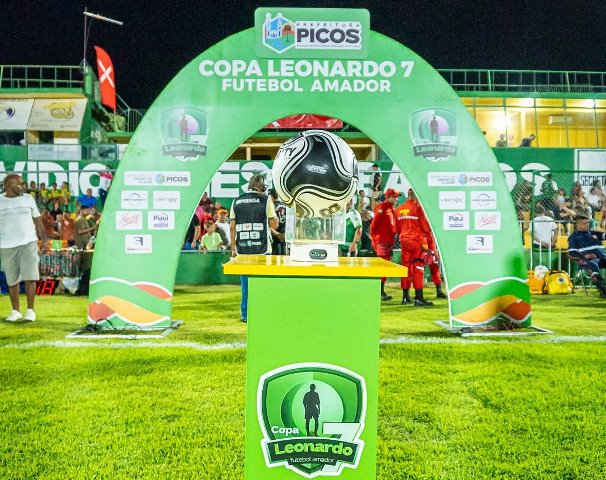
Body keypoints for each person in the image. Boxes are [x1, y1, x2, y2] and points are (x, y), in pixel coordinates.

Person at [230, 174, 278, 322]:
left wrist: (233, 249)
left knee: (245, 286)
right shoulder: (266, 200)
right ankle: (263, 313)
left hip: (243, 249)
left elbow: (232, 227)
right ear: (261, 186)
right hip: (262, 249)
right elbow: (274, 224)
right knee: (263, 284)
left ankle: (245, 315)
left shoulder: (236, 201)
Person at [0, 174, 48, 322]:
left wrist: (44, 240)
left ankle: (30, 311)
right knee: (12, 280)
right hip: (6, 245)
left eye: (23, 184)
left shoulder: (28, 199)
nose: (23, 187)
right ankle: (15, 311)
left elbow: (38, 221)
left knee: (30, 277)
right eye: (19, 184)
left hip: (29, 242)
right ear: (9, 185)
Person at [395, 188, 434, 306]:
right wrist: (429, 241)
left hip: (404, 241)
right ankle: (419, 298)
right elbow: (425, 227)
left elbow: (397, 228)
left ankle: (405, 297)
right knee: (418, 269)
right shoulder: (418, 208)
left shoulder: (399, 208)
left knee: (406, 269)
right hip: (417, 242)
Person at [370, 187, 400, 301]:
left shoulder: (392, 209)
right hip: (381, 242)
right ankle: (379, 292)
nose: (396, 199)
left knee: (384, 266)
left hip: (388, 242)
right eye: (394, 197)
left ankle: (380, 291)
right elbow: (374, 225)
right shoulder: (382, 207)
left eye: (397, 197)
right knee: (382, 266)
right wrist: (374, 239)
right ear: (388, 197)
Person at [568, 215, 606, 298]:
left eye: (587, 223)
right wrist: (585, 257)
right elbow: (571, 254)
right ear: (578, 225)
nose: (587, 225)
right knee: (593, 265)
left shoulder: (595, 233)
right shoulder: (573, 237)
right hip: (588, 261)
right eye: (584, 223)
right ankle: (603, 290)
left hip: (603, 257)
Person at [268, 188, 287, 255]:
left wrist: (277, 234)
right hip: (284, 234)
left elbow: (268, 224)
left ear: (270, 196)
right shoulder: (285, 205)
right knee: (284, 255)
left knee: (275, 256)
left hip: (275, 235)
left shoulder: (270, 206)